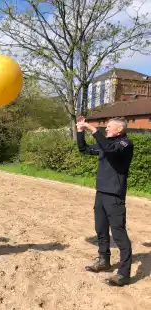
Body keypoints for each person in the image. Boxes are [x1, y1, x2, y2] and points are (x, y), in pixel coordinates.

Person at [77, 116, 134, 287]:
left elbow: (110, 149)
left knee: (119, 234)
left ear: (119, 130)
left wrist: (93, 130)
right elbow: (83, 149)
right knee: (100, 229)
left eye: (109, 127)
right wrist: (80, 131)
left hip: (114, 195)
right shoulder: (106, 144)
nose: (106, 129)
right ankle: (104, 261)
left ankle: (124, 274)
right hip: (101, 193)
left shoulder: (124, 144)